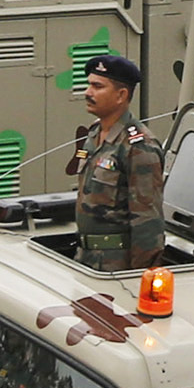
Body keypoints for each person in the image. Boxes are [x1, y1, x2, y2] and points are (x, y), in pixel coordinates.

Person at [63, 50, 165, 271]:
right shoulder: (93, 134)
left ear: (121, 95)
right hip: (86, 257)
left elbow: (148, 221)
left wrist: (140, 277)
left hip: (116, 265)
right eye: (89, 85)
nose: (88, 93)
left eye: (98, 87)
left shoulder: (139, 146)